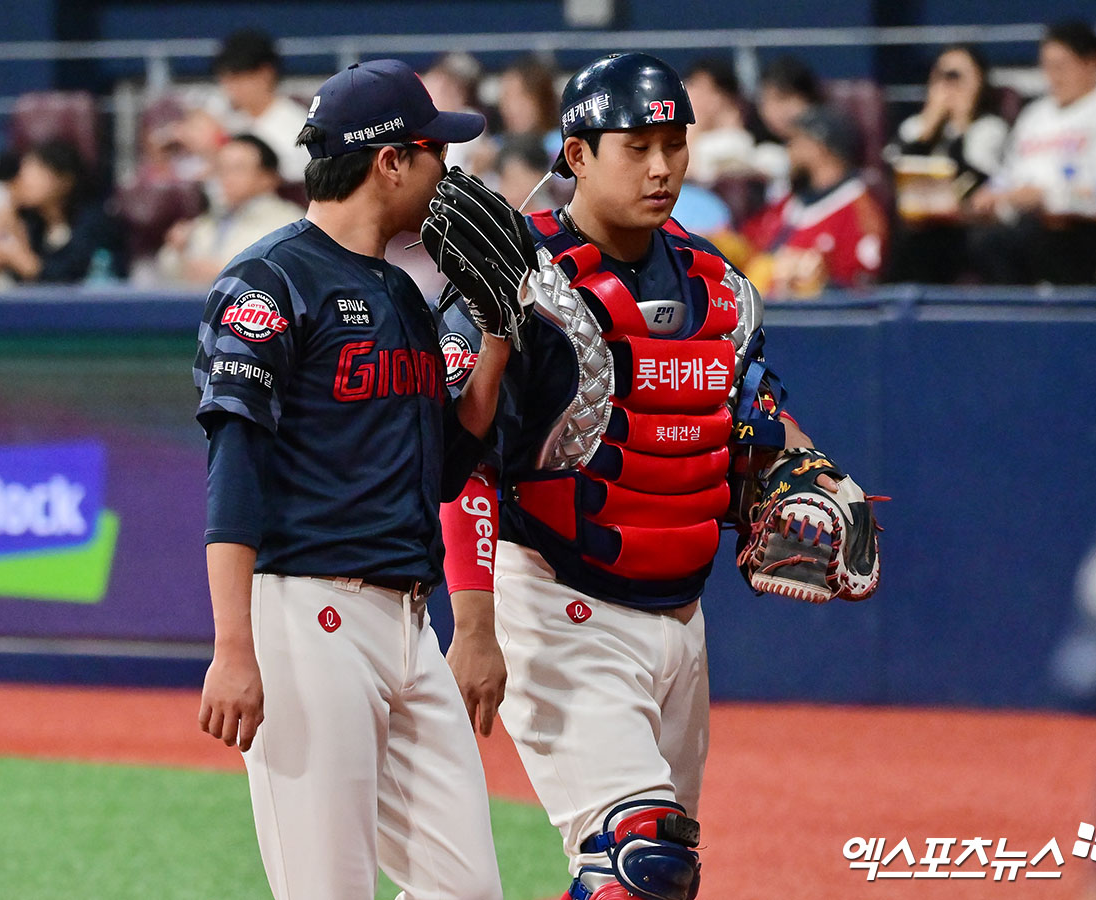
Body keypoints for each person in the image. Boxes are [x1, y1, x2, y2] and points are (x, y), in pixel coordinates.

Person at [435, 52, 880, 900]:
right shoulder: (515, 282)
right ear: (575, 155)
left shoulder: (719, 283)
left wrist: (804, 477)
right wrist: (476, 623)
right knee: (638, 865)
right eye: (636, 145)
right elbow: (468, 462)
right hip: (561, 604)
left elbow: (749, 424)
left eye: (674, 143)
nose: (662, 165)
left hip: (683, 620)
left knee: (665, 875)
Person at [193, 59, 507, 900]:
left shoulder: (403, 294)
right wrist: (234, 649)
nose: (448, 170)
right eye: (435, 153)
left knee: (467, 888)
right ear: (390, 162)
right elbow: (235, 468)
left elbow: (445, 468)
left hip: (407, 618)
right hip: (307, 616)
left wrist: (499, 336)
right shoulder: (269, 281)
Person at [968, 21, 1096, 284]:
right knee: (981, 242)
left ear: (1091, 63)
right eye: (1047, 66)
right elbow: (1011, 172)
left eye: (1061, 66)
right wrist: (992, 194)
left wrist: (1050, 195)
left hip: (1086, 230)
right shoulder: (1035, 115)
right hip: (1028, 226)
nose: (1052, 76)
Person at [886, 44, 1010, 283]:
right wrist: (928, 131)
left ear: (980, 82)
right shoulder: (915, 127)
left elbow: (973, 184)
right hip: (919, 224)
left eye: (958, 77)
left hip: (967, 226)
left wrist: (961, 128)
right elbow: (896, 179)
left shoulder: (989, 128)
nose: (949, 86)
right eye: (942, 76)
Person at [741, 106, 887, 297]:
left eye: (796, 141)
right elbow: (749, 247)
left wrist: (815, 284)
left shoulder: (860, 209)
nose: (789, 149)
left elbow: (859, 290)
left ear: (819, 146)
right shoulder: (790, 201)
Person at [158, 134, 302, 285]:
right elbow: (169, 270)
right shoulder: (209, 220)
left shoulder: (290, 224)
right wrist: (177, 250)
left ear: (267, 177)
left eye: (237, 168)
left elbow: (285, 279)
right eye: (221, 169)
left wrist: (224, 273)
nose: (227, 177)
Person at [0, 139, 124, 283]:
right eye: (24, 170)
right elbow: (21, 276)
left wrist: (16, 257)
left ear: (65, 180)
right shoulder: (33, 223)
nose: (25, 179)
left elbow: (67, 278)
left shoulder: (94, 222)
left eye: (37, 171)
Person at [205, 30, 308, 182]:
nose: (230, 89)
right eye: (225, 80)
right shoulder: (227, 118)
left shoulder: (297, 126)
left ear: (265, 74)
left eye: (237, 79)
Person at [753, 55, 824, 201]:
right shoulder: (752, 139)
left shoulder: (825, 144)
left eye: (783, 99)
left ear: (808, 99)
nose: (775, 111)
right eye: (766, 101)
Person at [683, 57, 755, 186]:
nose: (698, 97)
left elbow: (691, 176)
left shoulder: (734, 140)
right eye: (694, 86)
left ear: (727, 99)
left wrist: (693, 129)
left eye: (708, 90)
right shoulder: (670, 132)